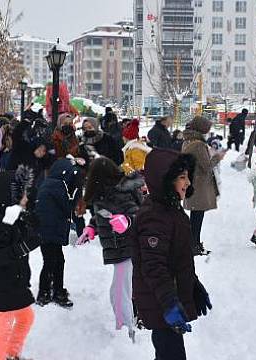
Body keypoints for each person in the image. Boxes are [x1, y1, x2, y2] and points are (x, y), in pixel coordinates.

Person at [131, 148, 212, 360]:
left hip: (167, 298)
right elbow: (154, 267)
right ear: (165, 180)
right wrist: (169, 304)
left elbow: (177, 259)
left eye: (188, 177)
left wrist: (193, 283)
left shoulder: (171, 210)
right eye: (181, 178)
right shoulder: (155, 217)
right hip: (160, 302)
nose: (187, 183)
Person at [78, 157, 144, 340]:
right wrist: (93, 227)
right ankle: (128, 325)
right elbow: (104, 213)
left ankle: (126, 331)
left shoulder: (118, 192)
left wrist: (128, 221)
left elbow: (139, 214)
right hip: (119, 248)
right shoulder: (105, 192)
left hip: (127, 247)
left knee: (119, 292)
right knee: (121, 290)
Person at [0, 166, 37, 360]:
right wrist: (22, 247)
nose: (26, 198)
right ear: (10, 196)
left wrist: (32, 231)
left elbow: (24, 238)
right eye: (22, 194)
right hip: (0, 283)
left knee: (26, 317)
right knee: (2, 327)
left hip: (15, 281)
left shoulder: (14, 216)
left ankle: (11, 354)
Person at [35, 158, 83, 308]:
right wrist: (76, 192)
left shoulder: (48, 182)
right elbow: (68, 206)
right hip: (51, 230)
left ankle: (53, 290)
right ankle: (47, 293)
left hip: (46, 230)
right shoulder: (58, 185)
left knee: (54, 261)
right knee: (51, 262)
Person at [182, 116, 226, 255]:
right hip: (199, 184)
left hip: (191, 182)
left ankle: (194, 244)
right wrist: (218, 157)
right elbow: (206, 166)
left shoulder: (187, 141)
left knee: (196, 215)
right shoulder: (198, 145)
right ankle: (194, 245)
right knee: (197, 216)